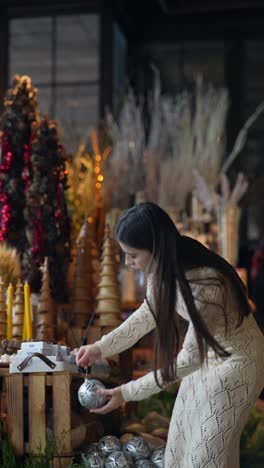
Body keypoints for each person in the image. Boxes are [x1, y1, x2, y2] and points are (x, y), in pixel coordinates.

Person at [76, 202, 264, 468]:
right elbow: (146, 315)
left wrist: (125, 393)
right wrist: (100, 348)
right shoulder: (161, 269)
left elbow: (185, 362)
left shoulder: (204, 289)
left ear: (156, 249)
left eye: (132, 255)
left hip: (239, 363)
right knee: (181, 440)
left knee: (205, 455)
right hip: (209, 353)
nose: (128, 263)